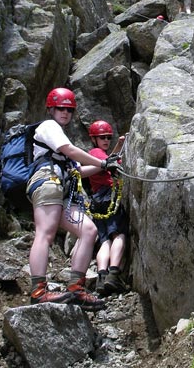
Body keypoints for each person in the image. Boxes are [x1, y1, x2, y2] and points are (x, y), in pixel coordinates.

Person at [26, 87, 121, 308]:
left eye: (69, 109)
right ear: (51, 109)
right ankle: (38, 290)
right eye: (60, 108)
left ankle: (76, 288)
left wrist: (106, 167)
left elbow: (77, 169)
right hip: (47, 183)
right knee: (45, 233)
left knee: (89, 230)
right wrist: (102, 163)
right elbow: (69, 150)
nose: (65, 112)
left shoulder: (58, 134)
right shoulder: (49, 127)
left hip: (60, 187)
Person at [87, 120, 129, 296]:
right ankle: (113, 274)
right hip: (108, 197)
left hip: (97, 201)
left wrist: (119, 144)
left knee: (104, 240)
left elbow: (109, 160)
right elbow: (111, 162)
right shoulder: (96, 152)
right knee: (119, 234)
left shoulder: (94, 154)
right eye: (102, 137)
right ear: (94, 139)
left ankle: (101, 277)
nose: (106, 140)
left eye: (108, 137)